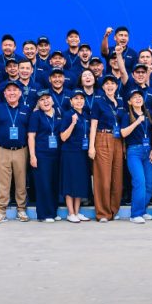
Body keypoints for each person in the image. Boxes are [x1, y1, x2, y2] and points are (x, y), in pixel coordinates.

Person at [0, 81, 30, 224]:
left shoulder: (26, 109)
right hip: (3, 150)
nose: (12, 93)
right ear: (4, 94)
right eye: (9, 90)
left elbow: (31, 131)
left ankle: (21, 210)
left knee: (21, 182)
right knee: (3, 182)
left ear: (20, 93)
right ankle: (1, 212)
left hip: (21, 150)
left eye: (15, 90)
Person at [89, 75, 123, 222]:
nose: (110, 86)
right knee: (103, 177)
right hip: (102, 137)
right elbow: (93, 125)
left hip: (118, 139)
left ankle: (113, 210)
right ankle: (103, 213)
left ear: (116, 86)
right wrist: (91, 146)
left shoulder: (120, 102)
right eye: (107, 84)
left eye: (112, 83)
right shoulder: (98, 102)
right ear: (103, 87)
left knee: (117, 178)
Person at [120, 88, 152, 223]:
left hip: (148, 151)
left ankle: (142, 210)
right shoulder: (127, 116)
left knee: (149, 184)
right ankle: (135, 214)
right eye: (134, 97)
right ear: (129, 101)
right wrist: (137, 122)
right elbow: (123, 133)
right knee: (139, 181)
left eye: (140, 96)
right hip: (134, 151)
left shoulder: (148, 114)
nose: (138, 99)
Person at [28, 91, 61, 222]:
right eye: (42, 100)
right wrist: (32, 156)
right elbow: (31, 136)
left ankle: (53, 211)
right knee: (44, 185)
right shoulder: (36, 115)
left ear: (52, 100)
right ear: (38, 103)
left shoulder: (59, 113)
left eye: (47, 98)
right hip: (42, 155)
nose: (46, 101)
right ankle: (44, 214)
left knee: (54, 184)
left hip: (57, 154)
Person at [59, 90, 91, 223]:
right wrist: (72, 123)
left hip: (82, 152)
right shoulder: (68, 115)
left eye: (81, 98)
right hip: (70, 152)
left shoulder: (86, 115)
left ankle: (77, 212)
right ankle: (70, 212)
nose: (79, 101)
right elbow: (63, 137)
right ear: (71, 101)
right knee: (69, 182)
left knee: (79, 182)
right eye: (76, 98)